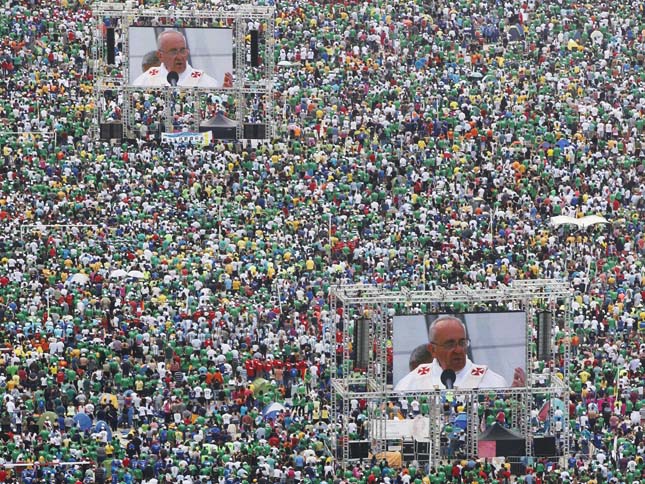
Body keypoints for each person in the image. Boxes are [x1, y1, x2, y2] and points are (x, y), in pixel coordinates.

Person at [394, 316, 526, 391]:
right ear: (433, 350)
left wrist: (513, 401)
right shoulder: (411, 384)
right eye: (450, 344)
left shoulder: (492, 382)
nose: (458, 350)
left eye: (462, 343)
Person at [132, 30, 232, 88]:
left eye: (183, 51)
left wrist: (226, 96)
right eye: (173, 52)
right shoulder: (145, 81)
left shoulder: (206, 82)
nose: (179, 57)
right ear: (160, 55)